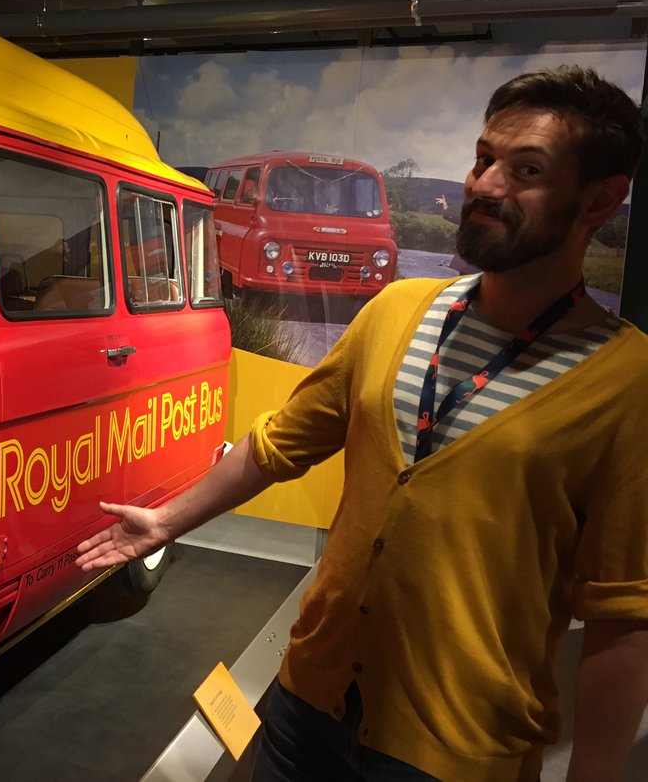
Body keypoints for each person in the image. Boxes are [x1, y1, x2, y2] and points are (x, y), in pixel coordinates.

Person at [76, 65, 648, 781]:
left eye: (525, 170)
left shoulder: (626, 381)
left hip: (453, 750)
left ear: (601, 200)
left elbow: (623, 617)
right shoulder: (395, 311)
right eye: (483, 159)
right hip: (304, 706)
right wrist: (165, 522)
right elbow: (280, 443)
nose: (485, 186)